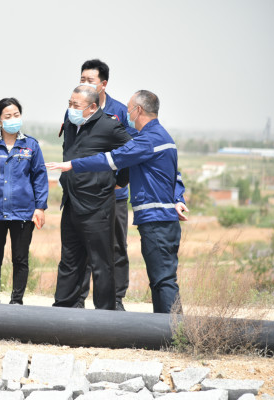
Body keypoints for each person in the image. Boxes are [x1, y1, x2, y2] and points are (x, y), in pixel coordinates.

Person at [46, 90, 188, 314]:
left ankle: (174, 330)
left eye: (129, 110)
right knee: (160, 280)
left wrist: (73, 165)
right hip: (158, 218)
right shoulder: (162, 137)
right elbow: (172, 174)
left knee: (163, 280)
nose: (126, 114)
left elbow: (112, 159)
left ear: (138, 110)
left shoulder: (147, 140)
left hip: (157, 219)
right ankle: (167, 329)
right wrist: (178, 198)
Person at [53, 85, 131, 310]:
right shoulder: (70, 122)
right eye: (69, 103)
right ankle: (64, 308)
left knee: (101, 262)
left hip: (97, 205)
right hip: (71, 201)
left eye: (76, 105)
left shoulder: (109, 126)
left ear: (92, 107)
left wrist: (120, 181)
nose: (71, 108)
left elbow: (130, 153)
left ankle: (105, 314)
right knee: (69, 260)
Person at [75, 59, 139, 311]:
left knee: (116, 246)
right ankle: (77, 299)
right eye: (82, 79)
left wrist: (121, 181)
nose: (84, 83)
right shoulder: (76, 109)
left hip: (114, 195)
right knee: (81, 246)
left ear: (103, 84)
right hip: (83, 194)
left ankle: (116, 299)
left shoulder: (120, 112)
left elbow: (134, 149)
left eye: (90, 80)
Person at [0, 98, 49, 305]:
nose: (13, 119)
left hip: (23, 211)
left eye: (16, 115)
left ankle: (17, 302)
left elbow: (40, 178)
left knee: (20, 259)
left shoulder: (31, 145)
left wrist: (40, 207)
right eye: (8, 116)